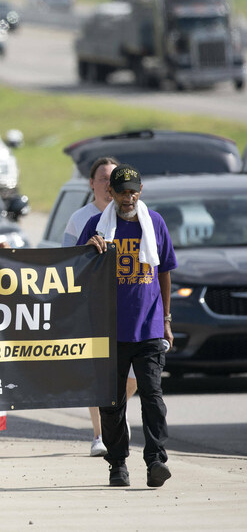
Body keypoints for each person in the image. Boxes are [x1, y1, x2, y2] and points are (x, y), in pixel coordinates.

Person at [80, 164, 176, 489]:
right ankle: (117, 464)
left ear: (140, 190)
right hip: (109, 329)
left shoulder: (155, 223)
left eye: (133, 190)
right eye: (121, 191)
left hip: (148, 327)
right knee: (112, 402)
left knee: (152, 396)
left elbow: (164, 272)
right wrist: (89, 252)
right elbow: (77, 273)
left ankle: (156, 460)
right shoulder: (97, 226)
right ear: (112, 193)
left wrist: (166, 319)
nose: (128, 197)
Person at [62, 156, 138, 457]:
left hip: (129, 310)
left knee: (131, 377)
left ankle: (116, 416)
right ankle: (100, 434)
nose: (109, 183)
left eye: (113, 177)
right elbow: (69, 263)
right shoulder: (81, 219)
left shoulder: (136, 217)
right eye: (103, 178)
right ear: (91, 183)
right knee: (100, 374)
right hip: (93, 308)